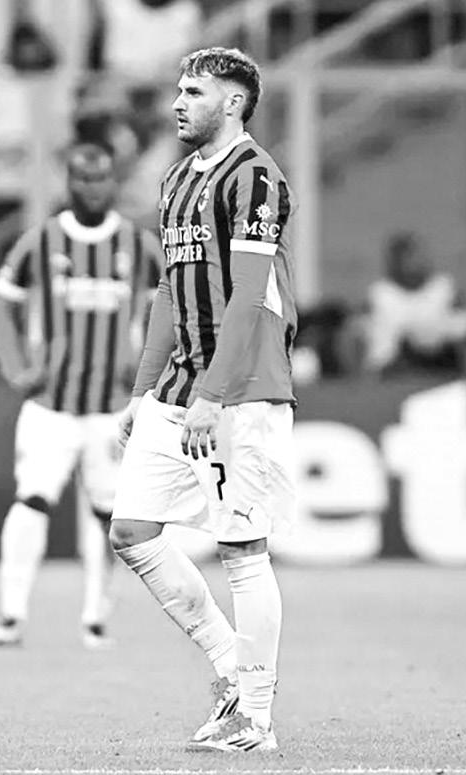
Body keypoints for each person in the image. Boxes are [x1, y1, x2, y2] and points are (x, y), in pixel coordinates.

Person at [110, 47, 297, 753]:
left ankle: (256, 718)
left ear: (234, 102)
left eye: (194, 92)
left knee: (241, 548)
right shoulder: (175, 178)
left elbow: (247, 295)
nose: (177, 103)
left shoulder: (254, 176)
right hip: (180, 387)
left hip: (240, 391)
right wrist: (142, 391)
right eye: (178, 90)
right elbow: (169, 288)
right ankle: (228, 669)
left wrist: (214, 396)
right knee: (131, 530)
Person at [0, 142, 163, 650]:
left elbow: (168, 312)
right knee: (31, 501)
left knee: (108, 514)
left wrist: (148, 374)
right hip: (50, 407)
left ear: (114, 181)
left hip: (112, 410)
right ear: (69, 182)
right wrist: (16, 369)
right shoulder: (40, 241)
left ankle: (95, 617)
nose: (92, 187)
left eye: (101, 177)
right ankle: (12, 614)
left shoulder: (138, 245)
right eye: (83, 178)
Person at [364, 233, 465, 376]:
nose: (416, 262)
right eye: (408, 257)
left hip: (439, 364)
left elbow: (460, 328)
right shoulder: (380, 292)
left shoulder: (444, 288)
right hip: (389, 370)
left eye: (419, 256)